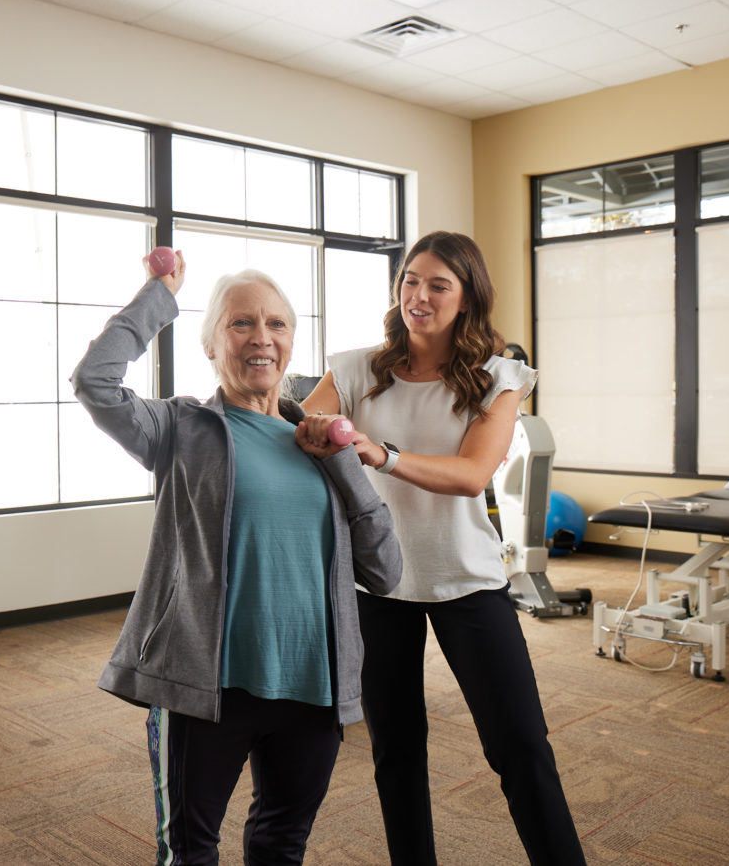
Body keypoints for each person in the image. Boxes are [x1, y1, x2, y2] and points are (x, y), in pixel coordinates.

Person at [71, 251, 403, 865]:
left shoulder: (321, 440)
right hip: (208, 683)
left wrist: (347, 464)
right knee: (192, 851)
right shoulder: (179, 429)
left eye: (277, 324)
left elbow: (385, 572)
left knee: (281, 843)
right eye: (241, 323)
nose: (262, 338)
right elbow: (95, 381)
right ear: (211, 343)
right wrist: (156, 295)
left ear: (292, 343)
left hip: (312, 684)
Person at [298, 230, 586, 865]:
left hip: (468, 580)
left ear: (466, 298)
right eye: (410, 280)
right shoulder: (353, 370)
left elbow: (471, 474)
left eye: (437, 285)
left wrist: (382, 453)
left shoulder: (498, 377)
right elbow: (296, 436)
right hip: (378, 584)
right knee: (395, 752)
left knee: (521, 747)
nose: (418, 296)